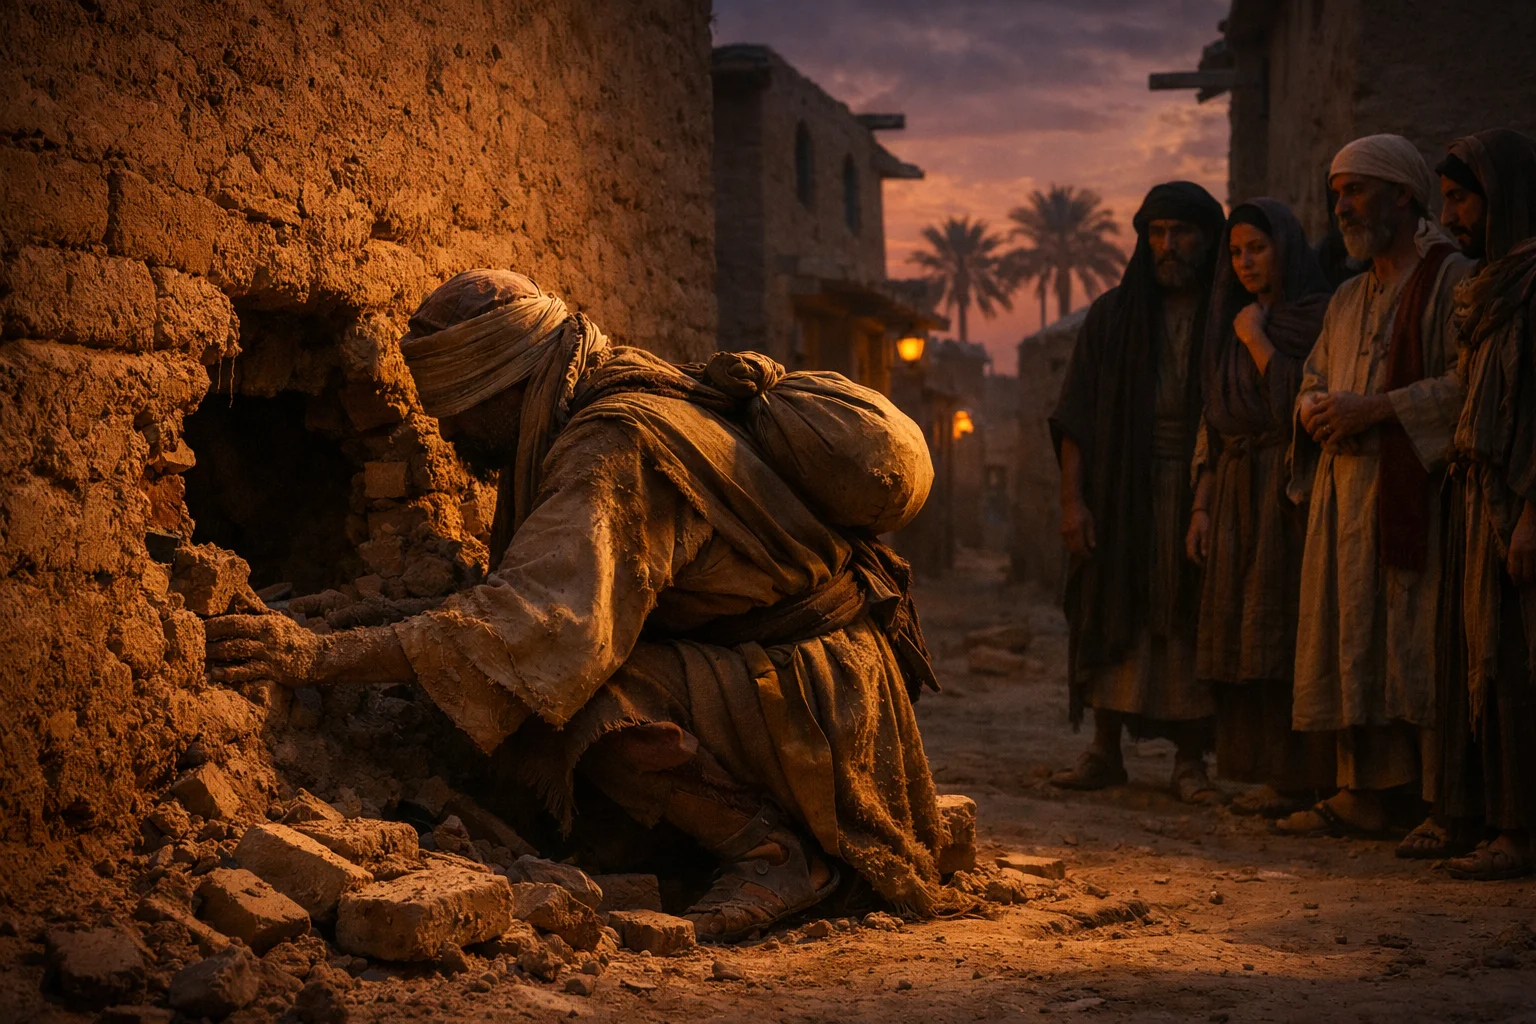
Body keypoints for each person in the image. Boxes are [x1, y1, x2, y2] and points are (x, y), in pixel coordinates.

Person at [205, 270, 968, 939]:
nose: (447, 429)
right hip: (776, 660)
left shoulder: (613, 446)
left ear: (501, 384)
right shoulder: (611, 385)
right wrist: (351, 618)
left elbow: (535, 626)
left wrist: (314, 657)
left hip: (813, 685)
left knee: (581, 709)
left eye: (458, 408)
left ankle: (775, 855)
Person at [1276, 135, 1474, 838]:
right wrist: (1314, 409)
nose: (1343, 207)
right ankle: (1363, 791)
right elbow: (1313, 378)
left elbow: (1467, 387)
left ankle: (1435, 800)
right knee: (1353, 638)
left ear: (1403, 195)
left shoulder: (1453, 280)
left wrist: (1377, 410)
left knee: (1415, 641)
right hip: (1345, 495)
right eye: (1337, 194)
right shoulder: (1349, 295)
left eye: (1355, 191)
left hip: (1416, 493)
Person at [1049, 181, 1227, 803]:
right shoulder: (1112, 316)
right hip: (1121, 487)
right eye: (1156, 233)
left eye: (1181, 232)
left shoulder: (1225, 317)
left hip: (1203, 484)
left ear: (1208, 240)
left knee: (1190, 615)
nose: (1168, 245)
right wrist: (1073, 502)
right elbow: (1076, 418)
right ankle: (1104, 749)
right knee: (1111, 604)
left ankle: (1189, 760)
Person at [1187, 199, 1336, 818]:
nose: (1245, 261)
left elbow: (1297, 404)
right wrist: (1200, 506)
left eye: (1258, 248)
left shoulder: (1315, 316)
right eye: (1236, 251)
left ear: (1286, 249)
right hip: (1232, 495)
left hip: (1288, 489)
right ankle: (1264, 770)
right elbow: (1216, 420)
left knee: (1288, 627)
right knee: (1240, 628)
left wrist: (1258, 340)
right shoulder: (1232, 320)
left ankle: (1307, 775)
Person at [1419, 129, 1536, 876]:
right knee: (1476, 661)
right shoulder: (1495, 287)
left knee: (1517, 664)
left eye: (1461, 197)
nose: (1452, 215)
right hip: (1477, 502)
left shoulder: (1531, 289)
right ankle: (1480, 817)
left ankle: (1519, 832)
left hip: (1518, 505)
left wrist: (1532, 513)